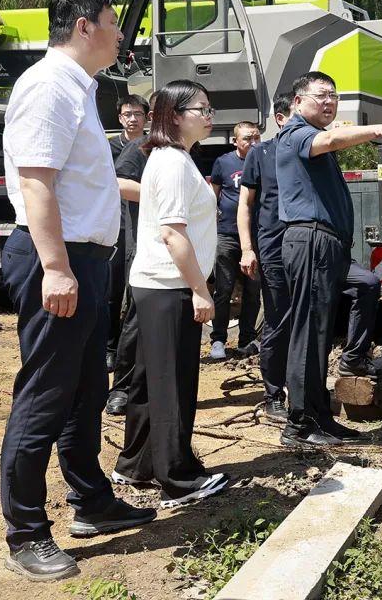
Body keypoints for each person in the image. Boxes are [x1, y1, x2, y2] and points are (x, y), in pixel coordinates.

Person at [0, 0, 155, 582]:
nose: (123, 36)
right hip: (55, 260)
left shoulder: (77, 89)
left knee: (86, 388)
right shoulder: (46, 87)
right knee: (44, 394)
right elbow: (36, 183)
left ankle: (90, 500)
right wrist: (58, 267)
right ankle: (26, 532)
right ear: (85, 27)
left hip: (86, 260)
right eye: (116, 25)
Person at [113, 80, 230, 508]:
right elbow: (172, 234)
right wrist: (201, 290)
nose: (209, 114)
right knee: (173, 384)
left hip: (155, 284)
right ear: (176, 116)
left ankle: (137, 464)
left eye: (209, 106)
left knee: (149, 379)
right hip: (171, 285)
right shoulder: (174, 162)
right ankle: (177, 479)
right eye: (201, 108)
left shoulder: (168, 158)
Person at [276, 71, 382, 447]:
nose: (329, 102)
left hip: (328, 247)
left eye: (334, 95)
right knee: (309, 334)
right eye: (321, 96)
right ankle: (298, 425)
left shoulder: (315, 139)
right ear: (298, 102)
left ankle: (321, 416)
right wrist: (376, 129)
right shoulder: (297, 134)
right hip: (311, 242)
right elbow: (331, 138)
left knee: (363, 286)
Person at [238, 95, 293, 423]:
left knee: (307, 319)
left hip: (308, 250)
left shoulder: (312, 150)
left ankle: (302, 390)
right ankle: (273, 396)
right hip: (273, 249)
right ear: (281, 117)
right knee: (277, 321)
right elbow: (245, 204)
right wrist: (247, 248)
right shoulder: (261, 153)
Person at [105, 93, 154, 416]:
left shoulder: (173, 148)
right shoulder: (127, 150)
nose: (133, 119)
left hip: (165, 244)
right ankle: (120, 385)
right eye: (128, 114)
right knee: (124, 302)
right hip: (125, 230)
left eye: (139, 114)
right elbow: (117, 183)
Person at [209, 122, 263, 360]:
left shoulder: (263, 159)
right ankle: (218, 340)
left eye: (256, 138)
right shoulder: (223, 162)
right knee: (224, 288)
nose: (252, 143)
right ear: (235, 141)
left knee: (253, 290)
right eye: (247, 139)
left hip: (257, 236)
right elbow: (214, 195)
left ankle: (246, 340)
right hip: (227, 235)